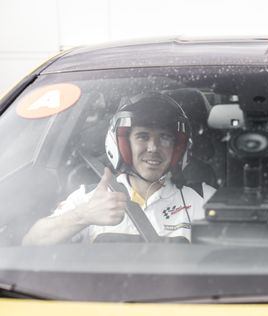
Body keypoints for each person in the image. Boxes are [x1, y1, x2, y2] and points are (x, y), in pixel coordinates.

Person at [23, 94, 215, 245]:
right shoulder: (91, 198)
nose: (153, 148)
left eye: (165, 137)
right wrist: (84, 216)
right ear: (123, 145)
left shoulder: (202, 199)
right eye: (142, 136)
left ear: (177, 148)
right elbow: (31, 242)